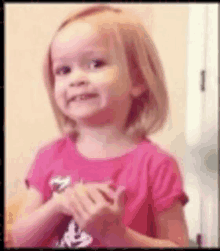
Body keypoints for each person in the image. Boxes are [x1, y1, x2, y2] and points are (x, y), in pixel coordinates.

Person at [11, 4, 190, 248]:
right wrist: (59, 204)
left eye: (95, 64)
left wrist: (117, 235)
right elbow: (20, 239)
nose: (76, 79)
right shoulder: (48, 156)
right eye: (63, 70)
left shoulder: (157, 165)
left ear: (138, 80)